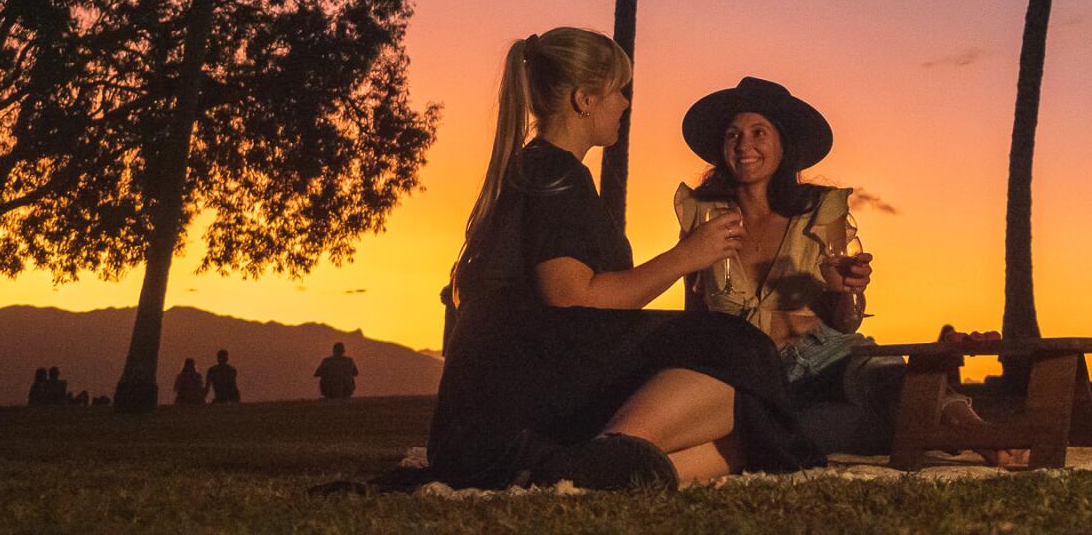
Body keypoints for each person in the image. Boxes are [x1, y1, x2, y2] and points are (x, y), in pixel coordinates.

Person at [423, 32, 821, 492]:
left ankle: (618, 468)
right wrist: (685, 256)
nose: (626, 103)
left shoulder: (536, 172)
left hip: (496, 404)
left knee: (750, 429)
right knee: (738, 348)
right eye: (620, 90)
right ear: (585, 99)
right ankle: (615, 445)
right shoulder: (556, 178)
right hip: (521, 404)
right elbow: (573, 297)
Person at [676, 77, 1005, 463]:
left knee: (885, 376)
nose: (744, 144)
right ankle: (915, 429)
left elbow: (845, 323)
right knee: (796, 436)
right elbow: (694, 317)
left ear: (784, 145)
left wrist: (843, 291)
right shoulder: (703, 217)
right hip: (755, 380)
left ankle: (985, 435)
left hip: (828, 356)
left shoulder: (819, 210)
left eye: (758, 132)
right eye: (733, 134)